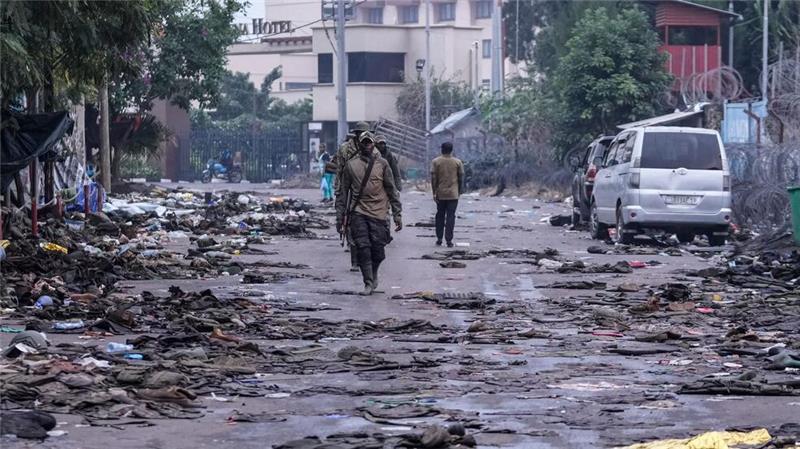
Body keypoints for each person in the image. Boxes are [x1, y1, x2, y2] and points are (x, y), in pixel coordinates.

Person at [336, 132, 402, 296]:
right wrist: (340, 217)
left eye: (369, 142)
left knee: (378, 251)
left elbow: (391, 190)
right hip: (358, 212)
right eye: (364, 142)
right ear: (359, 144)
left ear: (373, 144)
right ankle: (368, 282)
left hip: (379, 213)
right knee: (363, 247)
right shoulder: (351, 166)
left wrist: (397, 214)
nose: (367, 145)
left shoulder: (383, 164)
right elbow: (343, 193)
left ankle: (374, 273)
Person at [333, 121, 371, 270]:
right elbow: (339, 170)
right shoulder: (345, 149)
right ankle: (355, 260)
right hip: (348, 188)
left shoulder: (372, 149)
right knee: (349, 221)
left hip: (367, 189)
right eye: (361, 133)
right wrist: (339, 189)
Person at [430, 141, 464, 247]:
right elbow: (461, 178)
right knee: (451, 216)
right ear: (451, 150)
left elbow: (434, 178)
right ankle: (449, 240)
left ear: (442, 149)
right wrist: (459, 191)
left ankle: (439, 238)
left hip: (441, 193)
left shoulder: (436, 162)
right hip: (453, 194)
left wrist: (434, 192)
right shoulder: (457, 162)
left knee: (440, 215)